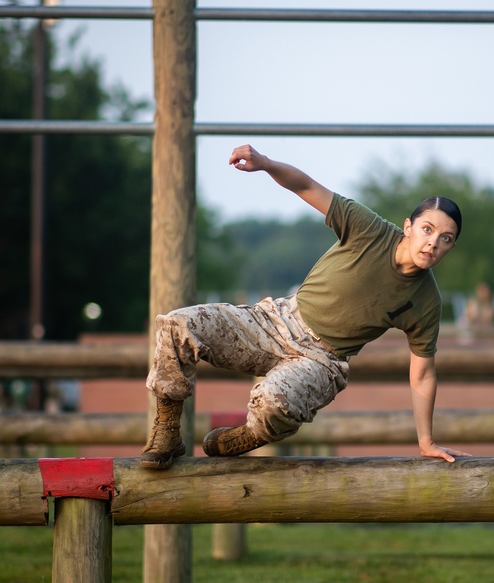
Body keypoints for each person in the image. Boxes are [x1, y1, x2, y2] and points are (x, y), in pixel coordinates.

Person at [140, 144, 471, 469]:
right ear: (409, 227)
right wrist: (266, 163)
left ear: (451, 247)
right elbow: (307, 186)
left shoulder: (426, 301)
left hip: (321, 360)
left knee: (273, 403)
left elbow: (423, 374)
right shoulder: (368, 229)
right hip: (274, 321)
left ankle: (249, 436)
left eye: (445, 238)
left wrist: (425, 441)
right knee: (177, 324)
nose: (432, 242)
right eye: (427, 229)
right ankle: (167, 433)